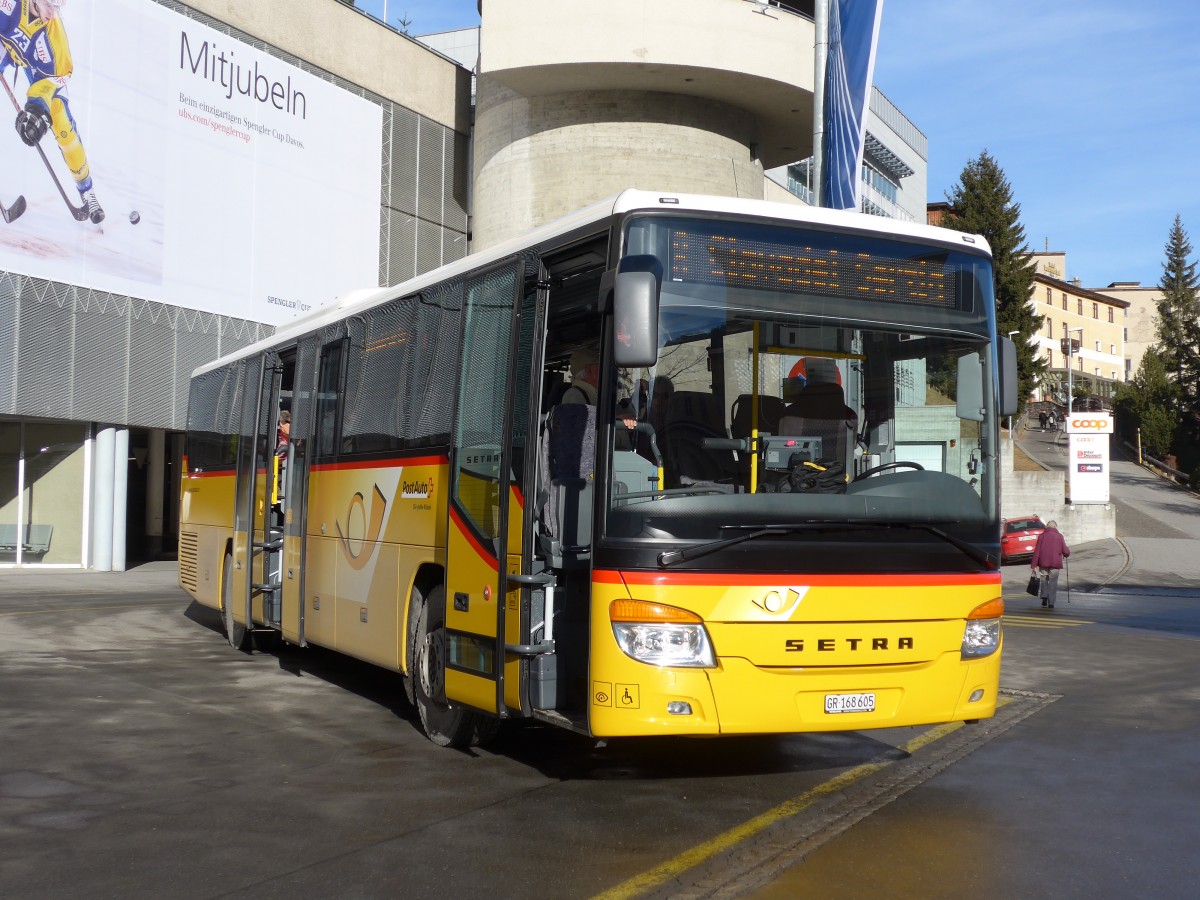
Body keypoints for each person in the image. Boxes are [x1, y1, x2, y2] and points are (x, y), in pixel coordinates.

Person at [1, 0, 105, 224]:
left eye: (58, 7)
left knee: (64, 129)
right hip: (6, 45)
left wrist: (37, 109)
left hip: (43, 75)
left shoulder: (53, 37)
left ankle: (87, 191)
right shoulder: (9, 4)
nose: (53, 13)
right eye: (50, 5)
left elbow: (55, 77)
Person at [1031, 519, 1070, 608]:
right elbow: (1065, 551)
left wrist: (1034, 565)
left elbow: (1037, 551)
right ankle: (1051, 602)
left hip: (1043, 562)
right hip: (1055, 564)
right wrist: (1067, 553)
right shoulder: (1059, 536)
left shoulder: (1042, 536)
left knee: (1044, 579)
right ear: (1055, 527)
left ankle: (1044, 596)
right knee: (1053, 582)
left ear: (1047, 527)